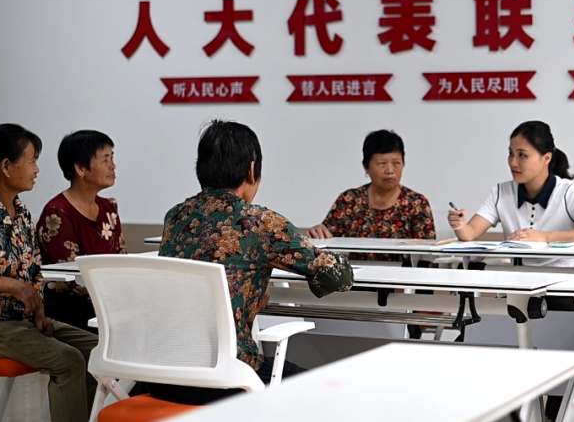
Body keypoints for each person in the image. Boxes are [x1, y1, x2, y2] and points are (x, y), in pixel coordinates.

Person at [150, 120, 354, 404]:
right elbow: (339, 277)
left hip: (162, 375)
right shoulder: (259, 222)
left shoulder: (176, 216)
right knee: (329, 393)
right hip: (227, 379)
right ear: (251, 169)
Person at [0, 124, 98, 422]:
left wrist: (39, 312)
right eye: (32, 160)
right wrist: (9, 285)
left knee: (97, 351)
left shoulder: (21, 213)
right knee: (68, 360)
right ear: (6, 167)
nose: (37, 169)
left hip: (17, 322)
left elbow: (33, 271)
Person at [447, 120, 574, 268]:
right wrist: (460, 225)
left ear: (546, 158)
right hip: (519, 280)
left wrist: (544, 237)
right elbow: (470, 232)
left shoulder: (570, 191)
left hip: (565, 279)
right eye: (511, 154)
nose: (513, 162)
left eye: (522, 155)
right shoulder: (501, 192)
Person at [37, 130, 125, 332]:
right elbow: (72, 280)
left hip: (106, 303)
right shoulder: (57, 213)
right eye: (105, 159)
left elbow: (121, 261)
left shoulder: (109, 208)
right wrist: (119, 298)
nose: (113, 165)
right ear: (80, 168)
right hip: (68, 308)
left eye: (112, 158)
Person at [308, 129, 435, 262]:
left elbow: (428, 257)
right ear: (366, 167)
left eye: (396, 163)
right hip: (358, 272)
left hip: (403, 273)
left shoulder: (416, 203)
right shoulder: (350, 200)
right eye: (382, 164)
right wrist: (318, 233)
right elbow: (325, 239)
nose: (390, 170)